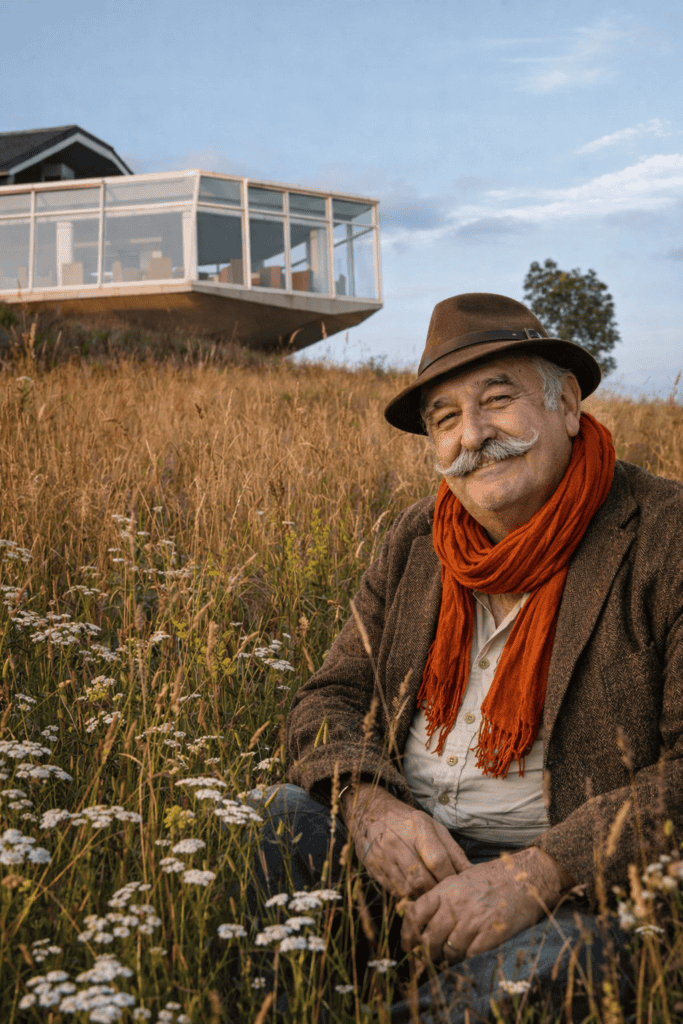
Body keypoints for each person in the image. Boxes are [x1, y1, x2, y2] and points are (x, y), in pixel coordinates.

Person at [260, 292, 683, 1020]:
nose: (473, 435)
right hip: (416, 849)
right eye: (445, 418)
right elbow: (327, 696)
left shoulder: (663, 536)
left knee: (550, 968)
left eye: (496, 400)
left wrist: (543, 871)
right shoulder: (418, 537)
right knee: (279, 817)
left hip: (574, 879)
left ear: (567, 404)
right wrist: (369, 806)